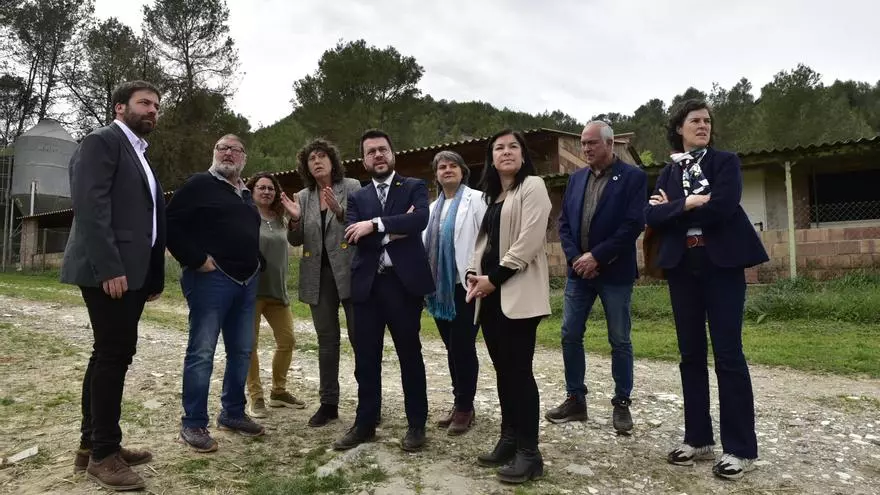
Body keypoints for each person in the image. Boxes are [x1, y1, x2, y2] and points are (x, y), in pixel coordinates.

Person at [646, 99, 768, 480]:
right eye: (695, 121)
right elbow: (650, 215)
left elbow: (724, 207)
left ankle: (740, 449)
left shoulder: (725, 162)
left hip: (722, 266)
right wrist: (691, 202)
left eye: (707, 121)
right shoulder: (668, 171)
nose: (703, 125)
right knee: (690, 354)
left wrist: (677, 208)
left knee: (728, 354)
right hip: (683, 267)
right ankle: (698, 438)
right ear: (679, 128)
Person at [60, 80, 164, 491]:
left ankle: (93, 447)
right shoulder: (101, 142)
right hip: (110, 271)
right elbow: (91, 207)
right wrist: (109, 268)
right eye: (144, 103)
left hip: (131, 272)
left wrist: (151, 273)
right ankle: (104, 454)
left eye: (156, 105)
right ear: (120, 107)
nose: (152, 110)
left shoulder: (138, 153)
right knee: (113, 355)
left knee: (108, 354)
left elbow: (150, 218)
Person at [332, 129, 434, 452]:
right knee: (366, 359)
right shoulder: (358, 197)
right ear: (363, 160)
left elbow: (420, 220)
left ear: (393, 154)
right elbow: (351, 236)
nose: (378, 155)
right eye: (371, 151)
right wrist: (394, 228)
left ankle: (416, 425)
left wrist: (374, 225)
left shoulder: (414, 186)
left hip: (403, 287)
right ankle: (365, 423)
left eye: (382, 150)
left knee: (409, 356)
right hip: (367, 287)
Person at [545, 121, 647, 434]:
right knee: (569, 334)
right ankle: (575, 399)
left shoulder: (633, 177)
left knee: (619, 339)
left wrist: (597, 256)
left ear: (610, 143)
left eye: (591, 143)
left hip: (614, 272)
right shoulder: (576, 179)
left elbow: (632, 224)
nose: (586, 149)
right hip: (579, 273)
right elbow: (563, 224)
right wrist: (577, 258)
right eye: (583, 144)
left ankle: (622, 403)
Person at [167, 134, 265, 453]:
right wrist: (195, 259)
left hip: (246, 281)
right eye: (221, 148)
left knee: (241, 351)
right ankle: (194, 423)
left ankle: (233, 413)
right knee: (202, 351)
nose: (226, 153)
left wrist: (258, 262)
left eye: (233, 149)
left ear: (243, 157)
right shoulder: (199, 184)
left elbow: (246, 232)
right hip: (211, 280)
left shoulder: (246, 194)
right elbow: (169, 223)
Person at [466, 129, 551, 484]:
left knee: (519, 373)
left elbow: (529, 240)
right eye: (498, 147)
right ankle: (509, 439)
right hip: (491, 298)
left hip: (517, 296)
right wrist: (474, 271)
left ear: (522, 154)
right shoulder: (494, 196)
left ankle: (530, 454)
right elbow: (482, 242)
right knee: (504, 373)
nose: (506, 152)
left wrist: (494, 277)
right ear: (491, 157)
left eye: (512, 146)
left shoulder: (533, 186)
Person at [284, 138, 362, 427]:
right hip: (317, 278)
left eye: (321, 156)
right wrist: (293, 221)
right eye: (311, 159)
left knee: (360, 340)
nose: (316, 161)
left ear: (332, 160)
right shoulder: (303, 197)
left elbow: (360, 225)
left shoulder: (352, 187)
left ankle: (369, 403)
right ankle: (329, 404)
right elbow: (295, 240)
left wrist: (340, 212)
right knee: (327, 343)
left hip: (350, 275)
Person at [421, 150, 486, 436]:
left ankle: (464, 407)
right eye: (441, 167)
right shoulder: (432, 207)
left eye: (452, 166)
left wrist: (478, 271)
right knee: (451, 347)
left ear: (462, 171)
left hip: (466, 286)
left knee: (462, 345)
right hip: (438, 289)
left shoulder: (477, 199)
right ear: (436, 174)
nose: (447, 170)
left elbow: (486, 238)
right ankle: (459, 400)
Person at [243, 172, 305, 418]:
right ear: (252, 190)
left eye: (270, 188)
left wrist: (295, 219)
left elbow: (296, 240)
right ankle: (255, 397)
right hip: (251, 291)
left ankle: (279, 391)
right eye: (261, 187)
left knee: (287, 341)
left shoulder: (280, 218)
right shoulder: (246, 215)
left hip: (278, 291)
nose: (266, 191)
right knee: (250, 345)